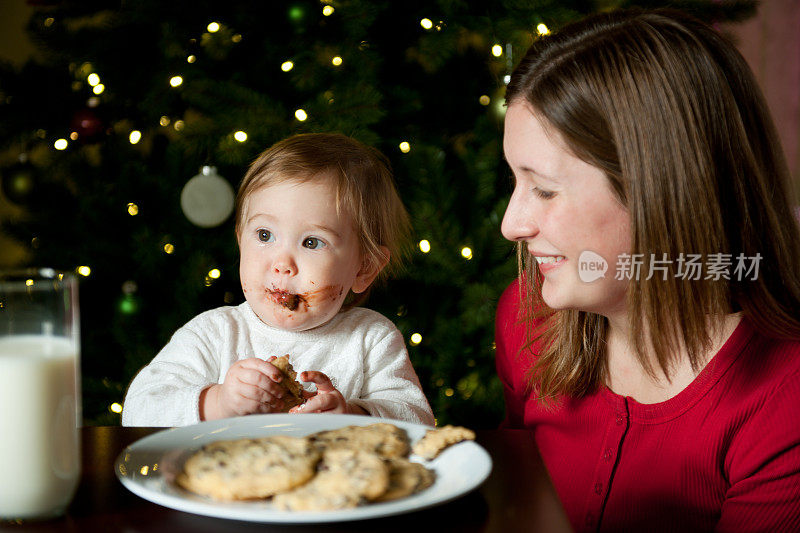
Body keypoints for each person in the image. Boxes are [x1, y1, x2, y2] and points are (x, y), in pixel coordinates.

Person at [496, 8, 800, 532]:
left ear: (660, 194)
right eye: (514, 182)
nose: (511, 225)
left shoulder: (783, 403)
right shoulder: (527, 315)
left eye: (543, 189)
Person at [123, 133, 434, 427]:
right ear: (240, 240)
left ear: (364, 268)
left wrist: (353, 415)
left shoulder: (371, 339)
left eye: (312, 242)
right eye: (264, 235)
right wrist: (218, 403)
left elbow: (419, 420)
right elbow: (138, 411)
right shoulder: (215, 334)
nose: (281, 264)